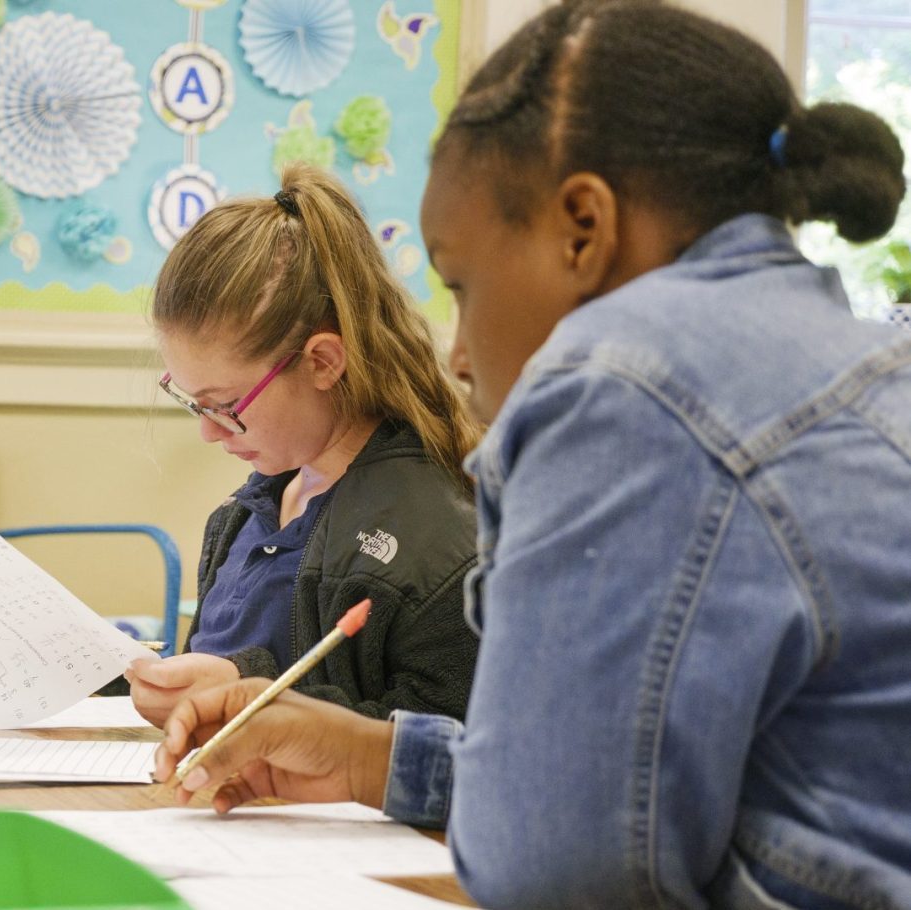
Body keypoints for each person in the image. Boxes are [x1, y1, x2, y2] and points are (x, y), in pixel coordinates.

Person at [154, 2, 911, 907]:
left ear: (583, 227)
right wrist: (363, 755)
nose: (461, 353)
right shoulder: (860, 359)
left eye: (463, 286)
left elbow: (556, 870)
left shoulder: (622, 391)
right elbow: (621, 788)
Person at [127, 164, 482, 727]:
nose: (209, 431)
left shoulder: (433, 546)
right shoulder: (249, 514)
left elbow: (449, 749)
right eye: (192, 402)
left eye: (227, 405)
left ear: (322, 362)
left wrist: (250, 692)